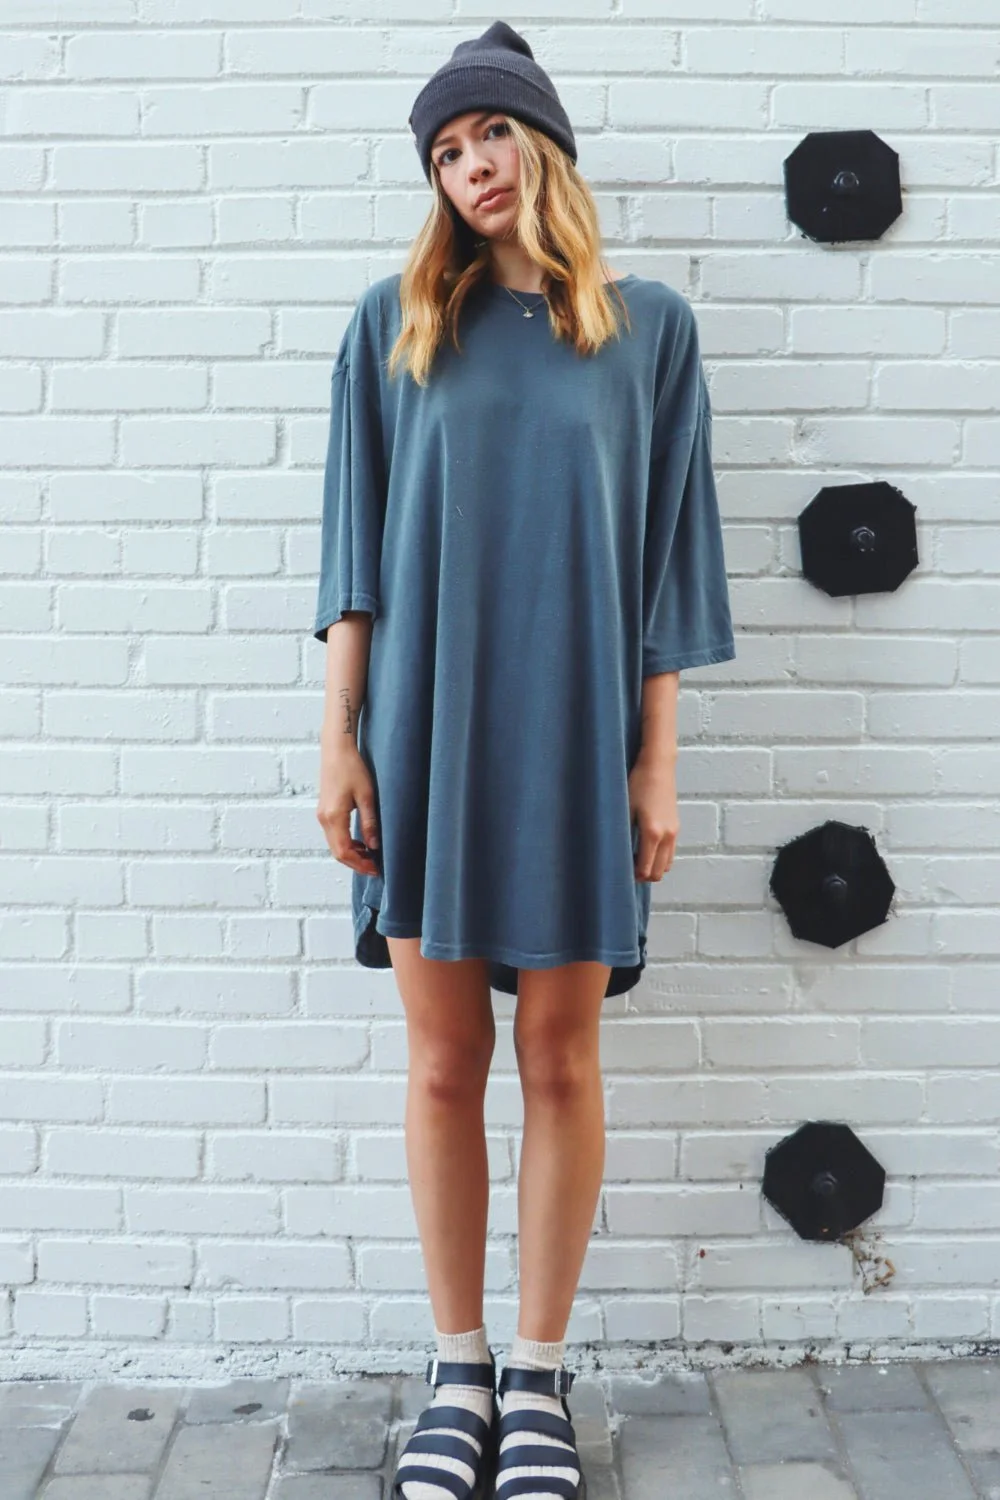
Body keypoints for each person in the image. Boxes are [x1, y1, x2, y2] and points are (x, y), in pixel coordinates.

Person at [313, 20, 737, 1500]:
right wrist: (339, 743)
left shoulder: (649, 331)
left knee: (560, 1057)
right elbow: (354, 556)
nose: (472, 166)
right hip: (422, 733)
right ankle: (458, 1370)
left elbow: (670, 565)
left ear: (541, 142)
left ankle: (539, 1379)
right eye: (445, 152)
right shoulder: (394, 325)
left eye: (489, 133)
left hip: (576, 733)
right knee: (444, 1063)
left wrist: (656, 763)